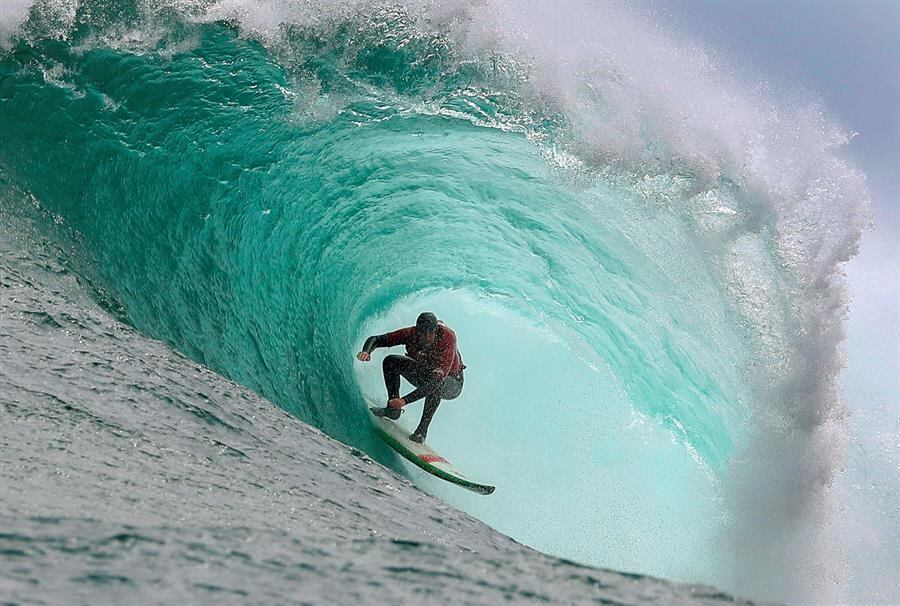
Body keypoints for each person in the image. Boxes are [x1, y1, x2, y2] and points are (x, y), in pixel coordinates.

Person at [357, 312, 465, 443]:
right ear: (417, 331)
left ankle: (421, 431)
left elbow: (436, 381)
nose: (426, 337)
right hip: (426, 373)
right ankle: (392, 410)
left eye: (430, 332)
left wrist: (404, 401)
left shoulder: (447, 338)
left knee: (437, 384)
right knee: (391, 361)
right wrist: (366, 351)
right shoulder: (410, 334)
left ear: (436, 331)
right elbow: (377, 340)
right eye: (423, 333)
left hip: (452, 383)